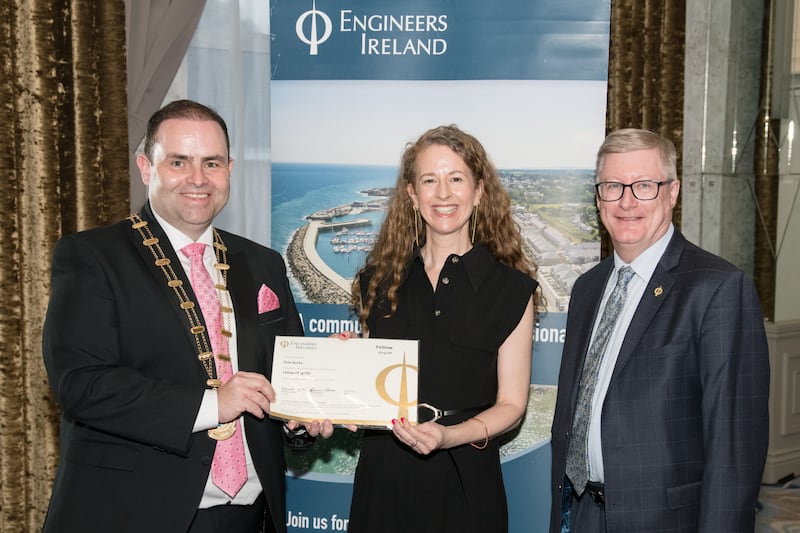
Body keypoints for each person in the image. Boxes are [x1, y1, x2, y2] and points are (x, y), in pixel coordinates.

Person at [41, 99, 327, 533]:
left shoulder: (263, 263)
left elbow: (285, 381)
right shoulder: (93, 257)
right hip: (133, 513)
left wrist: (302, 418)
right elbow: (81, 385)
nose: (198, 178)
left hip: (250, 516)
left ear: (229, 168)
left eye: (211, 163)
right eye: (179, 161)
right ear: (145, 167)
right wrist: (215, 403)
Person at [550, 128, 770, 532]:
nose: (627, 201)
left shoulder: (716, 288)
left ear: (672, 193)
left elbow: (735, 451)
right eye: (613, 186)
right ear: (598, 198)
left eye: (645, 186)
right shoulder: (587, 288)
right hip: (580, 514)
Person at [346, 125, 538, 533]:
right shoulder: (376, 282)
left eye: (456, 179)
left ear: (479, 191)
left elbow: (511, 405)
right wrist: (343, 372)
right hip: (384, 480)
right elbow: (367, 394)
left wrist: (450, 437)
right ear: (412, 195)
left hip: (466, 479)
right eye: (429, 181)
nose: (444, 194)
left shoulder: (514, 290)